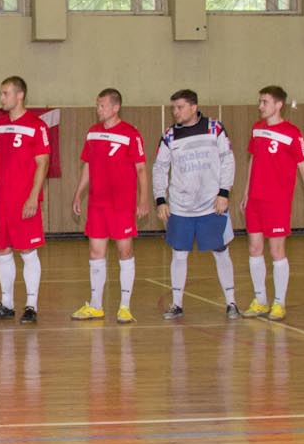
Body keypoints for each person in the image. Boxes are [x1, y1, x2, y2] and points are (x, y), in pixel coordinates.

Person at [154, 89, 240, 320]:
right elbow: (160, 168)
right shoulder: (170, 135)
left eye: (180, 107)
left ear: (193, 107)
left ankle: (231, 302)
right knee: (179, 253)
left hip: (212, 205)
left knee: (221, 251)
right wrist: (160, 199)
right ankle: (177, 304)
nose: (175, 112)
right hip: (181, 206)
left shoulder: (215, 128)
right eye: (173, 108)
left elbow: (228, 160)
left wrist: (224, 192)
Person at [241, 86, 304, 321]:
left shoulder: (292, 133)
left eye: (264, 102)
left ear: (278, 105)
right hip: (255, 199)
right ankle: (260, 300)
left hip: (277, 200)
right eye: (259, 101)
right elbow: (253, 160)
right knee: (254, 248)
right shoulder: (257, 128)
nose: (260, 106)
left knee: (277, 251)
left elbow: (303, 167)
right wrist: (246, 192)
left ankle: (279, 302)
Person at [71, 88, 148, 324]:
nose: (98, 109)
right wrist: (78, 193)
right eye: (97, 105)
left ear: (116, 107)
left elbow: (141, 169)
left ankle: (124, 307)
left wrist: (143, 198)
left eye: (102, 105)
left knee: (125, 252)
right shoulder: (93, 132)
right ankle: (96, 305)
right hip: (97, 204)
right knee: (96, 253)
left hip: (121, 205)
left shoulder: (131, 134)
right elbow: (87, 165)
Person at [0, 77, 51, 324]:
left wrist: (33, 196)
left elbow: (43, 163)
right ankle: (7, 304)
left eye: (5, 93)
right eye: (1, 93)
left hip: (24, 200)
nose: (1, 98)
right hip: (4, 200)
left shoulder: (36, 125)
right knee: (1, 249)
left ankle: (31, 305)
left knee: (27, 250)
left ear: (20, 95)